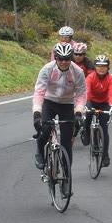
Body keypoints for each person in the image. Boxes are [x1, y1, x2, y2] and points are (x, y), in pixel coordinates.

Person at [33, 42, 86, 171]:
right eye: (60, 59)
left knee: (67, 141)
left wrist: (78, 113)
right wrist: (37, 113)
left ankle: (67, 176)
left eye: (67, 59)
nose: (63, 62)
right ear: (55, 58)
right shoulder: (47, 69)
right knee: (45, 130)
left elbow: (81, 94)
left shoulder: (77, 72)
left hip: (67, 104)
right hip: (49, 102)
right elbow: (39, 92)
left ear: (71, 58)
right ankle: (39, 150)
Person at [83, 55, 112, 167]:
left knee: (104, 128)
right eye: (98, 66)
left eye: (104, 66)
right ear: (95, 67)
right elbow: (87, 92)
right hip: (91, 101)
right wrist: (85, 106)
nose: (101, 68)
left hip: (104, 103)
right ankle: (86, 133)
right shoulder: (90, 78)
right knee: (87, 115)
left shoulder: (111, 79)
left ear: (108, 68)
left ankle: (105, 155)